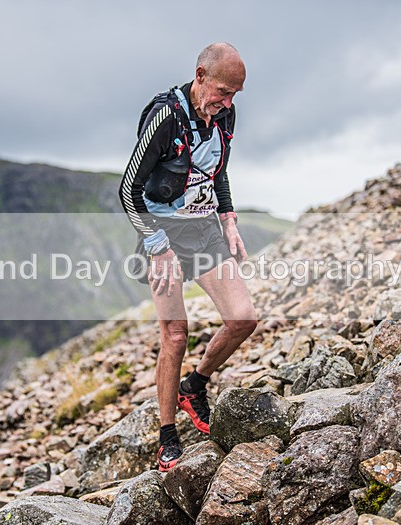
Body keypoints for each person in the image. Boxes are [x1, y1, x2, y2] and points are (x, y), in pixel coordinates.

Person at [119, 43, 257, 471]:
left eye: (234, 95)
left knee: (243, 319)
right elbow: (128, 191)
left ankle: (194, 385)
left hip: (204, 229)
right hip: (163, 233)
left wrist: (229, 218)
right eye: (221, 91)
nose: (227, 102)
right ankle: (167, 436)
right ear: (199, 76)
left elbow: (219, 170)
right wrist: (158, 249)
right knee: (175, 335)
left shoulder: (224, 114)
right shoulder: (166, 117)